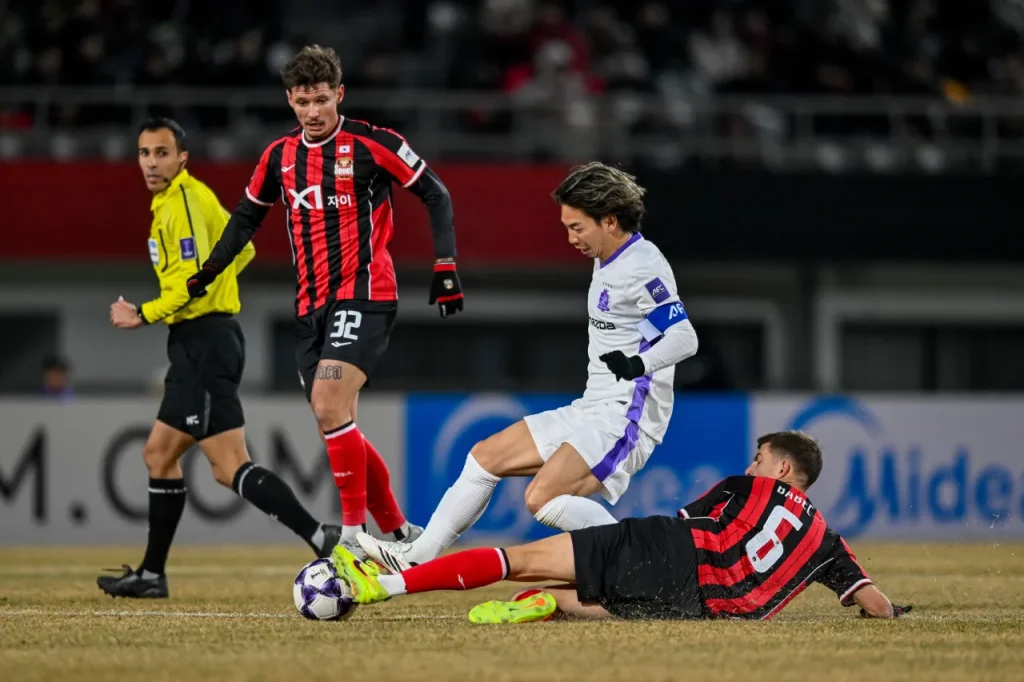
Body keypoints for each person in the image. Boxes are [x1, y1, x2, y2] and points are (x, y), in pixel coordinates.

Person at [358, 162, 698, 573]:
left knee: (542, 498)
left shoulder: (642, 266)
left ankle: (640, 570)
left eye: (577, 227)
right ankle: (416, 556)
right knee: (485, 457)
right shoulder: (612, 258)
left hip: (627, 417)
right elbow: (644, 327)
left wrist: (637, 362)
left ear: (610, 221)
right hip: (594, 407)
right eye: (567, 227)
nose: (570, 238)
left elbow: (684, 337)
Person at [186, 44, 458, 556]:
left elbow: (435, 193)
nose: (313, 111)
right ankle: (401, 533)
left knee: (328, 404)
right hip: (310, 308)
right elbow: (245, 218)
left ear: (339, 95)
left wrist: (445, 265)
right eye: (303, 101)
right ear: (289, 100)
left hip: (365, 292)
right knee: (335, 420)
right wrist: (209, 271)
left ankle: (352, 538)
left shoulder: (374, 144)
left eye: (321, 100)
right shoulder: (279, 156)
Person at [98, 118, 343, 599]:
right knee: (158, 454)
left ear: (182, 158)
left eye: (162, 153)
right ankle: (151, 575)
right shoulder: (184, 200)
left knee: (228, 466)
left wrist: (141, 313)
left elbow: (192, 282)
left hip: (206, 341)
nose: (151, 162)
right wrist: (215, 283)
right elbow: (243, 250)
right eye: (145, 153)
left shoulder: (184, 203)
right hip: (196, 342)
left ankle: (322, 537)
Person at [333, 431, 913, 623]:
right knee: (605, 598)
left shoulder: (746, 488)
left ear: (782, 469)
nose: (752, 465)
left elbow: (685, 524)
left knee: (516, 560)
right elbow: (879, 605)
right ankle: (552, 604)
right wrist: (887, 613)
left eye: (760, 459)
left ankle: (380, 586)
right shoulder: (826, 541)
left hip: (672, 550)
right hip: (700, 609)